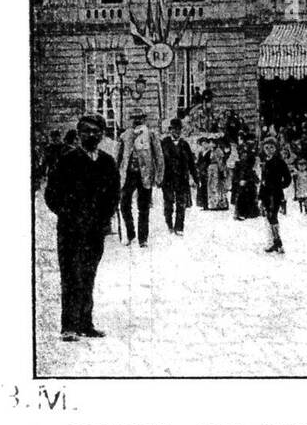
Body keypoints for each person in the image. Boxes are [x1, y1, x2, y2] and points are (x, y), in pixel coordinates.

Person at [44, 114, 120, 341]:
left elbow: (114, 194)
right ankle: (68, 326)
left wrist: (102, 218)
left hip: (95, 230)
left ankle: (86, 324)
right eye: (86, 131)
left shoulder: (107, 162)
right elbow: (51, 195)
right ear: (79, 135)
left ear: (102, 134)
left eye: (96, 131)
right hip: (71, 231)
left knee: (88, 275)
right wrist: (70, 216)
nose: (91, 135)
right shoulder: (68, 160)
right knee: (71, 276)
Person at [117, 110, 164, 248]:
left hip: (145, 175)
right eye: (134, 119)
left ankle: (143, 239)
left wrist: (159, 175)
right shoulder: (125, 135)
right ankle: (131, 234)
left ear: (144, 120)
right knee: (124, 204)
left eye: (139, 119)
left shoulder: (151, 135)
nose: (137, 121)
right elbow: (118, 156)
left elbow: (159, 156)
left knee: (143, 207)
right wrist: (115, 174)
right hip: (128, 175)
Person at [161, 118, 197, 236]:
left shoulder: (184, 144)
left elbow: (191, 162)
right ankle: (169, 225)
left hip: (182, 178)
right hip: (168, 178)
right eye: (174, 129)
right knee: (169, 203)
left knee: (181, 204)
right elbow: (159, 161)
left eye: (178, 130)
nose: (176, 132)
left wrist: (196, 178)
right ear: (170, 130)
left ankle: (179, 226)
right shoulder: (164, 143)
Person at [259, 137, 292, 254]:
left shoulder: (280, 162)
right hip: (266, 194)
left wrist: (279, 186)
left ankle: (278, 242)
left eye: (271, 147)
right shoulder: (265, 162)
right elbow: (263, 181)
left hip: (276, 194)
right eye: (266, 147)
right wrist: (260, 196)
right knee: (269, 216)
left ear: (276, 148)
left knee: (273, 216)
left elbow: (288, 178)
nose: (269, 150)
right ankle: (275, 242)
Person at [230, 150, 260, 220]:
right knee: (241, 198)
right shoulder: (238, 165)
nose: (244, 157)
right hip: (241, 185)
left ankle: (249, 212)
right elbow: (235, 176)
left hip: (249, 186)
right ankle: (241, 213)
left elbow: (255, 178)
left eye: (245, 156)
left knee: (248, 197)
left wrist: (248, 181)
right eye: (242, 156)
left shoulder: (250, 168)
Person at [206, 140, 230, 212]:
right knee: (212, 186)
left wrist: (221, 170)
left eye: (212, 143)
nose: (210, 144)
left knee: (217, 186)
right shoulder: (211, 151)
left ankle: (219, 203)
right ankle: (213, 203)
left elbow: (220, 161)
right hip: (212, 169)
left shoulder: (218, 150)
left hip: (216, 169)